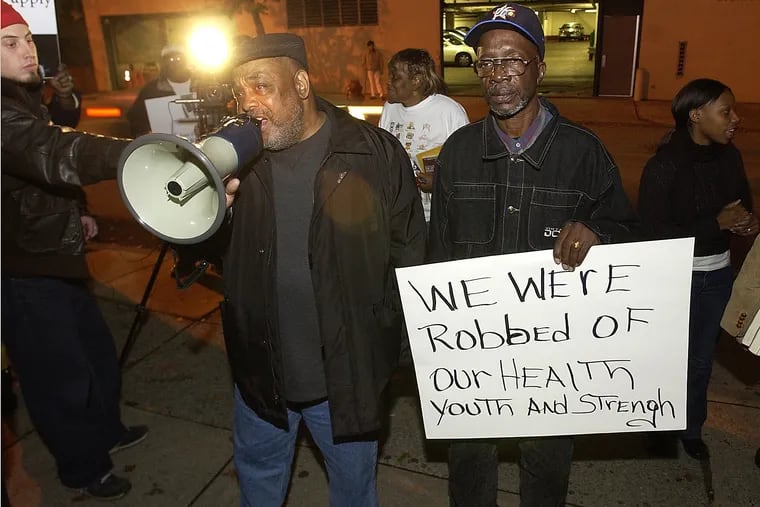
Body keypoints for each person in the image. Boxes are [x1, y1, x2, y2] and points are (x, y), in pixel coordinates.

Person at [426, 3, 638, 505]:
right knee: (470, 467)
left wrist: (599, 232)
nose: (497, 75)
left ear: (540, 68)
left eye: (512, 61)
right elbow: (437, 256)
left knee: (545, 470)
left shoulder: (584, 153)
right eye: (486, 62)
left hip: (553, 363)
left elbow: (630, 232)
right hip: (471, 359)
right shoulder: (457, 152)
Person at [218, 33, 427, 506]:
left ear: (302, 83)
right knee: (259, 478)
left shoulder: (373, 153)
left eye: (261, 87)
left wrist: (385, 344)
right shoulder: (236, 161)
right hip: (260, 373)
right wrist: (212, 211)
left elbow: (409, 252)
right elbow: (205, 254)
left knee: (354, 490)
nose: (248, 104)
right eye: (240, 92)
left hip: (344, 378)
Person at [1, 1, 148, 500]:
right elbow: (53, 152)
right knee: (56, 375)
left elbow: (48, 146)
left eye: (28, 39)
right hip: (22, 265)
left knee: (94, 355)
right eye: (10, 43)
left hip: (53, 249)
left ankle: (105, 432)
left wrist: (78, 208)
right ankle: (82, 467)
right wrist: (136, 153)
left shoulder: (20, 95)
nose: (29, 50)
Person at [638, 78, 758, 461]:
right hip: (676, 279)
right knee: (665, 358)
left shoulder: (730, 156)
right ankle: (655, 426)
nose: (735, 119)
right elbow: (652, 232)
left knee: (702, 361)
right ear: (696, 115)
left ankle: (691, 428)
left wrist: (747, 223)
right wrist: (716, 224)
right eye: (726, 111)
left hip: (718, 276)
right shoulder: (665, 165)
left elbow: (742, 206)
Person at [379, 48, 469, 223]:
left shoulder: (449, 112)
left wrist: (438, 182)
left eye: (395, 77)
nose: (388, 82)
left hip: (435, 216)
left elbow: (467, 167)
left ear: (416, 80)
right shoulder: (389, 109)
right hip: (398, 214)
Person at [126, 43, 193, 137]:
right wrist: (147, 135)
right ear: (164, 63)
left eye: (179, 59)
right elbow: (136, 118)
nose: (175, 63)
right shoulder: (151, 90)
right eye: (171, 59)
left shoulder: (205, 85)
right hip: (169, 147)